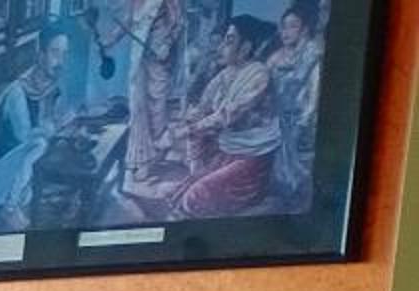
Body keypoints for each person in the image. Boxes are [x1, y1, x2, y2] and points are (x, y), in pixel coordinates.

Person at [0, 33, 81, 230]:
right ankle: (10, 208)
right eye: (55, 52)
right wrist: (57, 125)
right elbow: (25, 137)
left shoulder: (50, 87)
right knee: (39, 144)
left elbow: (47, 123)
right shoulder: (18, 91)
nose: (61, 61)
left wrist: (64, 124)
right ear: (40, 54)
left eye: (64, 54)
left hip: (16, 172)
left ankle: (29, 200)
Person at [177, 14, 284, 217]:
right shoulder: (223, 75)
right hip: (228, 149)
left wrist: (193, 128)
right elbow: (203, 107)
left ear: (245, 47)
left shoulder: (259, 74)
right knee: (185, 189)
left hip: (253, 156)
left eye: (229, 41)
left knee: (194, 199)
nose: (221, 48)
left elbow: (228, 114)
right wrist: (190, 121)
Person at [121, 0, 192, 214]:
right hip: (140, 62)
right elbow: (128, 22)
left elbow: (178, 23)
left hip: (159, 61)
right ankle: (140, 159)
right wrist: (109, 40)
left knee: (156, 112)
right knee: (138, 111)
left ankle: (154, 156)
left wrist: (166, 45)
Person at [272, 0, 327, 205]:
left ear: (304, 29)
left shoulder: (313, 55)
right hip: (280, 118)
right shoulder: (278, 56)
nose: (285, 32)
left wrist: (304, 119)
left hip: (302, 119)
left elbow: (314, 94)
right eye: (283, 26)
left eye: (292, 26)